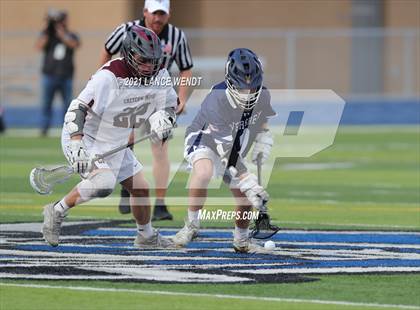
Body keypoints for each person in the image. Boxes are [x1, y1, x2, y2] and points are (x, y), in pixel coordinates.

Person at [41, 25, 177, 248]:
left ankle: (146, 237)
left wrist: (163, 119)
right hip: (87, 136)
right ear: (128, 54)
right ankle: (56, 211)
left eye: (153, 60)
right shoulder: (109, 76)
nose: (149, 65)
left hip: (116, 139)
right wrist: (77, 144)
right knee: (103, 183)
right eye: (143, 59)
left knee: (141, 188)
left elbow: (170, 106)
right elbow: (77, 109)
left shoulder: (160, 74)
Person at [172, 48, 275, 253]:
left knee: (245, 198)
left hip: (234, 141)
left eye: (252, 87)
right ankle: (191, 225)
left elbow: (262, 119)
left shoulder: (262, 94)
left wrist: (264, 138)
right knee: (203, 172)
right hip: (206, 138)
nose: (248, 93)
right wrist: (247, 179)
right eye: (242, 88)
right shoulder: (216, 99)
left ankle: (241, 240)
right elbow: (225, 150)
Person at [99, 0, 193, 220]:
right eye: (154, 13)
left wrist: (180, 98)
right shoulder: (126, 30)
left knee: (160, 147)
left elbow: (186, 69)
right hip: (128, 92)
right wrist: (104, 83)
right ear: (145, 12)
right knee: (126, 139)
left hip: (158, 92)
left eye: (162, 14)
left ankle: (160, 203)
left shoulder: (177, 36)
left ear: (168, 15)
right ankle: (127, 188)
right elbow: (106, 51)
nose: (158, 19)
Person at [35, 9, 80, 136]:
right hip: (49, 74)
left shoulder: (71, 35)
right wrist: (46, 29)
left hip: (66, 76)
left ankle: (66, 129)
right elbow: (39, 46)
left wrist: (62, 34)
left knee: (67, 104)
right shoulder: (48, 36)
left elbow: (74, 44)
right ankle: (44, 128)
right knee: (46, 103)